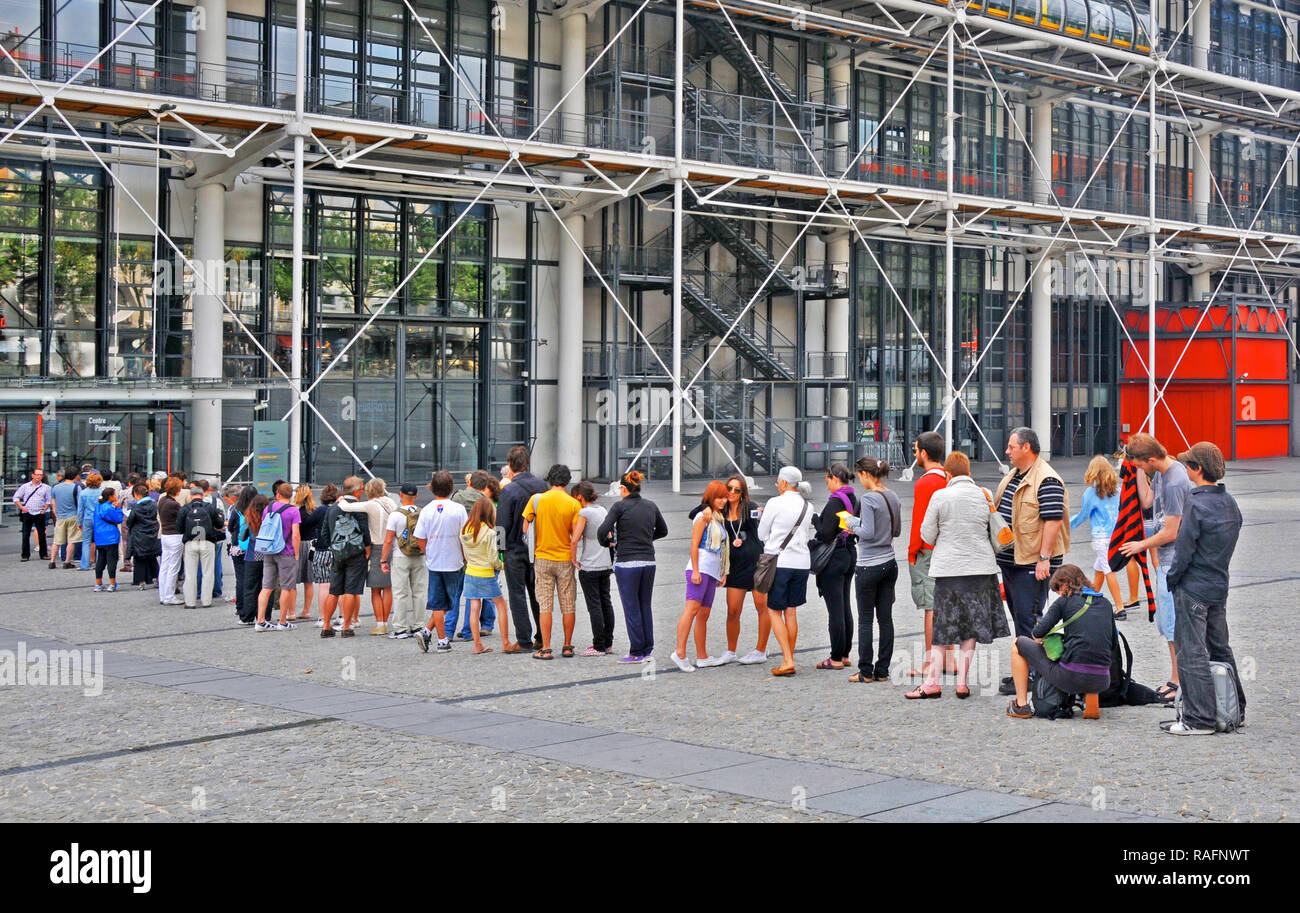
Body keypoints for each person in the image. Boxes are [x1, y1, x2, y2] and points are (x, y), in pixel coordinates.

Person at [909, 452, 1010, 699]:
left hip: (949, 570)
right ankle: (962, 683)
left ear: (948, 473)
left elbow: (927, 534)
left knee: (943, 624)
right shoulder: (983, 495)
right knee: (971, 626)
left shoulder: (940, 496)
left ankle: (932, 682)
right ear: (969, 473)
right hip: (981, 569)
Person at [1163, 442, 1245, 735]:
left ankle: (1199, 719)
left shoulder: (1196, 503)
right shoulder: (1229, 502)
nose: (1185, 469)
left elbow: (1183, 552)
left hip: (1194, 587)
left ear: (1197, 470)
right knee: (1220, 647)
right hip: (1218, 584)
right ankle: (1235, 709)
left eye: (1188, 465)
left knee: (1192, 652)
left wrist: (1172, 579)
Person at [994, 427, 1070, 696]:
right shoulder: (1015, 475)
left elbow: (1052, 521)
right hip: (1013, 561)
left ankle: (1038, 677)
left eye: (1011, 446)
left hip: (1031, 564)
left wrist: (1044, 559)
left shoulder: (1046, 478)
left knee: (1031, 621)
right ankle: (1023, 671)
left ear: (1027, 448)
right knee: (1021, 619)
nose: (1007, 451)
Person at [1118, 432, 1193, 704]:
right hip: (1165, 561)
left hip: (1175, 561)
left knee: (1173, 625)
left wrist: (1142, 545)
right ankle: (1177, 677)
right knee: (1167, 624)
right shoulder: (1161, 473)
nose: (1137, 468)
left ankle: (1178, 680)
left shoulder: (1175, 481)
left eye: (1139, 464)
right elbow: (1147, 501)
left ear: (1151, 458)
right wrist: (1136, 467)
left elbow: (1172, 531)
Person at [1006, 564, 1114, 719]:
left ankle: (1021, 706)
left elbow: (1037, 632)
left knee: (1018, 644)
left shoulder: (1065, 601)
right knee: (1089, 649)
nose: (1059, 594)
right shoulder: (1105, 603)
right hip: (1102, 679)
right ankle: (1091, 703)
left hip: (1070, 677)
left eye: (1058, 590)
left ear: (1065, 584)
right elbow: (1112, 643)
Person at [597, 470, 669, 664]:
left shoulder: (619, 507)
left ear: (623, 488)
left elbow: (602, 531)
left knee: (631, 608)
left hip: (627, 562)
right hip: (648, 561)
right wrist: (646, 539)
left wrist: (610, 544)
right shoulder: (651, 506)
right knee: (645, 605)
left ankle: (636, 651)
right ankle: (647, 649)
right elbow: (663, 530)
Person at [843, 457, 902, 683]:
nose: (859, 480)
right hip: (890, 562)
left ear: (866, 474)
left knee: (866, 620)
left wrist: (850, 522)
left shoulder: (868, 499)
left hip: (869, 565)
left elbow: (866, 532)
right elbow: (896, 531)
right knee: (885, 619)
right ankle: (883, 670)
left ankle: (866, 671)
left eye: (859, 475)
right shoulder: (893, 496)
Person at [757, 467, 815, 677]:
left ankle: (787, 659)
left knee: (774, 610)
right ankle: (788, 657)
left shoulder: (775, 503)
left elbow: (762, 534)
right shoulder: (808, 505)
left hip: (780, 562)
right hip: (802, 562)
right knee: (791, 611)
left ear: (782, 482)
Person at [908, 432, 956, 679]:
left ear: (924, 453)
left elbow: (920, 523)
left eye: (916, 450)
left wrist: (912, 552)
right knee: (946, 604)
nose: (914, 454)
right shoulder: (950, 480)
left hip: (928, 551)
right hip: (950, 551)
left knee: (931, 607)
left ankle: (931, 662)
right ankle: (949, 658)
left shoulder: (925, 483)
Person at [522, 464, 581, 660]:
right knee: (568, 604)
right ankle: (567, 646)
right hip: (564, 558)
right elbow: (575, 534)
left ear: (549, 479)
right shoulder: (573, 504)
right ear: (567, 481)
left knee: (545, 605)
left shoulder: (537, 500)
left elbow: (525, 527)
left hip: (543, 558)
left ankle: (546, 648)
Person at [671, 481, 731, 672]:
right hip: (701, 568)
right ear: (710, 498)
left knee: (704, 614)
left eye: (724, 497)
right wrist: (696, 570)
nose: (722, 500)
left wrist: (722, 572)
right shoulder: (703, 516)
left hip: (712, 570)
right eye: (718, 497)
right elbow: (694, 544)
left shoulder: (718, 517)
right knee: (691, 610)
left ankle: (702, 656)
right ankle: (679, 652)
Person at [497, 446, 547, 649]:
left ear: (509, 465)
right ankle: (542, 636)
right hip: (538, 548)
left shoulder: (508, 490)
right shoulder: (542, 486)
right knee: (538, 594)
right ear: (528, 463)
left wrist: (500, 550)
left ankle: (524, 639)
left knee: (517, 594)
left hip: (514, 549)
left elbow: (501, 524)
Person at [812, 463, 859, 671]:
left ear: (833, 479)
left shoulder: (834, 502)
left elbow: (825, 533)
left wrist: (815, 519)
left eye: (827, 480)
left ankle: (836, 657)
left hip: (835, 557)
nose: (827, 484)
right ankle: (846, 653)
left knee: (835, 610)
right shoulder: (852, 498)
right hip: (849, 552)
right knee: (845, 605)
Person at [414, 470, 466, 653]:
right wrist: (465, 556)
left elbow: (420, 538)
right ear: (452, 487)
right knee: (448, 602)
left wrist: (428, 552)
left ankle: (428, 632)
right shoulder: (458, 509)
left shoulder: (426, 510)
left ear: (432, 487)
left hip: (435, 561)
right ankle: (442, 640)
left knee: (438, 602)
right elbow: (464, 537)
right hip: (454, 561)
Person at [458, 496, 515, 654]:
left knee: (474, 608)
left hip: (470, 572)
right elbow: (493, 559)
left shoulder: (465, 530)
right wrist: (503, 566)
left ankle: (477, 645)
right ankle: (505, 642)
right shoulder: (490, 533)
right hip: (486, 574)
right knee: (501, 605)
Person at [1070, 455, 1124, 618]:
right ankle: (1092, 600)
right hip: (1116, 535)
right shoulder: (1118, 490)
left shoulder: (1091, 493)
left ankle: (1120, 608)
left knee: (1108, 569)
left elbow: (1083, 515)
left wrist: (1065, 526)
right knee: (1099, 568)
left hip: (1101, 537)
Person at [341, 477, 397, 635]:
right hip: (392, 545)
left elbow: (346, 507)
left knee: (375, 589)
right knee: (388, 587)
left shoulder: (371, 504)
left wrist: (341, 499)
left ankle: (380, 623)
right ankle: (386, 620)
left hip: (377, 547)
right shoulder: (391, 502)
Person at [319, 480, 373, 638]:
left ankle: (326, 626)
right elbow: (365, 533)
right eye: (362, 488)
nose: (363, 491)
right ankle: (346, 626)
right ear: (356, 491)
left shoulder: (333, 508)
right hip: (356, 553)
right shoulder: (360, 508)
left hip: (337, 553)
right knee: (351, 590)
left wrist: (335, 547)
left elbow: (324, 533)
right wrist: (366, 549)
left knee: (334, 591)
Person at [448, 470, 496, 639]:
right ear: (485, 486)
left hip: (457, 549)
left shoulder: (456, 497)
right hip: (477, 553)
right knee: (473, 594)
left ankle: (448, 631)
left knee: (454, 592)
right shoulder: (485, 503)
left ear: (469, 483)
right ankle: (469, 630)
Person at [571, 481, 615, 657]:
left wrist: (574, 560)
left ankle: (598, 645)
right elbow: (610, 536)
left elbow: (575, 539)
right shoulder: (602, 510)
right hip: (605, 563)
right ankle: (608, 642)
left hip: (589, 565)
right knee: (606, 602)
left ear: (580, 496)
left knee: (594, 606)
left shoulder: (584, 512)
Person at [382, 483, 428, 640]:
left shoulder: (395, 515)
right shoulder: (423, 513)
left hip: (400, 555)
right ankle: (418, 626)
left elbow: (388, 540)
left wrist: (383, 560)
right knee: (420, 592)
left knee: (400, 593)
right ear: (416, 496)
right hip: (420, 555)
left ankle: (400, 628)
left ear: (401, 495)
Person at [254, 482, 302, 631]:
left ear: (278, 494)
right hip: (286, 552)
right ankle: (282, 621)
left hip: (269, 550)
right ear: (291, 495)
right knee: (286, 587)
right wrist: (297, 552)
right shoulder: (294, 511)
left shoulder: (268, 508)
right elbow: (295, 534)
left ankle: (260, 621)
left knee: (266, 587)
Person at [179, 483, 225, 609]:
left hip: (190, 542)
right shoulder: (209, 507)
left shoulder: (185, 508)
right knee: (208, 572)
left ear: (191, 495)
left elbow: (178, 528)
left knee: (190, 573)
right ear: (203, 494)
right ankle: (206, 601)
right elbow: (220, 524)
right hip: (207, 542)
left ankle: (190, 602)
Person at [225, 485, 256, 619]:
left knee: (240, 578)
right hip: (254, 547)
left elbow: (230, 528)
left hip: (238, 547)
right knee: (254, 579)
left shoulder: (236, 510)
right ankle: (253, 608)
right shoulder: (257, 509)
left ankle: (241, 608)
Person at [293, 484, 323, 621]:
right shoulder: (313, 510)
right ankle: (306, 610)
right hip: (311, 545)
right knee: (309, 580)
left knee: (292, 580)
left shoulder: (295, 511)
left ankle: (290, 611)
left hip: (299, 544)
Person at [311, 485, 340, 629]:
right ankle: (342, 617)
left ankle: (323, 617)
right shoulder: (341, 508)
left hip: (322, 550)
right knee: (340, 585)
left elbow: (308, 524)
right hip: (339, 550)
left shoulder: (320, 510)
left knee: (324, 585)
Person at [239, 495, 270, 625]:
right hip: (268, 554)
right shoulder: (269, 518)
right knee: (267, 587)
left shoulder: (248, 518)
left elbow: (241, 536)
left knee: (250, 587)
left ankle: (248, 616)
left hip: (252, 554)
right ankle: (264, 615)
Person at [125, 482, 161, 589]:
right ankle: (157, 579)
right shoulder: (154, 504)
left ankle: (141, 582)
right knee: (152, 557)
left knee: (139, 558)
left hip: (139, 535)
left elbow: (129, 522)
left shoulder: (136, 507)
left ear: (137, 495)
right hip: (152, 534)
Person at [13, 467, 52, 563]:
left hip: (39, 513)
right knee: (25, 535)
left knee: (42, 534)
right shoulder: (25, 486)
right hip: (27, 513)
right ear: (33, 475)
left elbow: (49, 500)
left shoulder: (46, 488)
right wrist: (22, 508)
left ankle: (43, 554)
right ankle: (25, 555)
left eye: (41, 475)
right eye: (37, 474)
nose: (39, 476)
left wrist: (45, 509)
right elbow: (16, 497)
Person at [157, 477, 186, 606]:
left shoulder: (162, 500)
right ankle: (169, 596)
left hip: (165, 535)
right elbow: (183, 518)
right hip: (175, 536)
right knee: (173, 568)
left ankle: (163, 595)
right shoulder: (174, 504)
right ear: (177, 490)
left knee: (164, 566)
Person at [91, 487, 124, 592]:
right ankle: (112, 583)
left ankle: (98, 583)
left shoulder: (98, 506)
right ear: (110, 496)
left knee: (100, 560)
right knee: (111, 561)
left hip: (99, 537)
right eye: (114, 495)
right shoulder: (109, 507)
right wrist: (118, 508)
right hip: (111, 537)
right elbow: (118, 519)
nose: (115, 497)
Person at [50, 467, 82, 568]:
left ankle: (52, 561)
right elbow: (80, 504)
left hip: (60, 516)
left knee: (57, 541)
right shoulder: (77, 488)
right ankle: (67, 561)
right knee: (71, 540)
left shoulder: (56, 487)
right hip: (73, 515)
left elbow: (53, 502)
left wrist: (56, 513)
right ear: (75, 476)